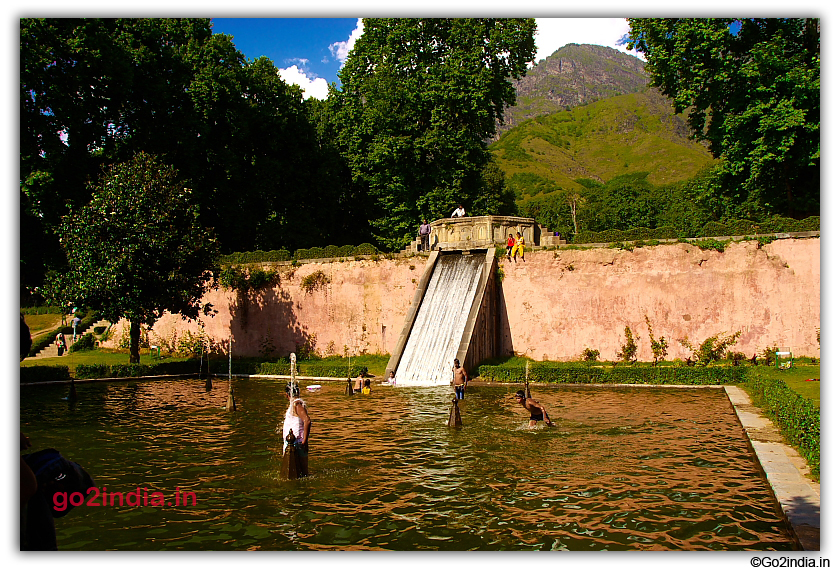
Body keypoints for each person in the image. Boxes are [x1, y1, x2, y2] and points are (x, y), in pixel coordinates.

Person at [281, 382, 311, 477]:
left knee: (298, 474)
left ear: (287, 395)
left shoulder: (297, 404)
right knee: (300, 474)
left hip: (297, 443)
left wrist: (304, 441)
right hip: (295, 443)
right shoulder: (294, 404)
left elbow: (307, 421)